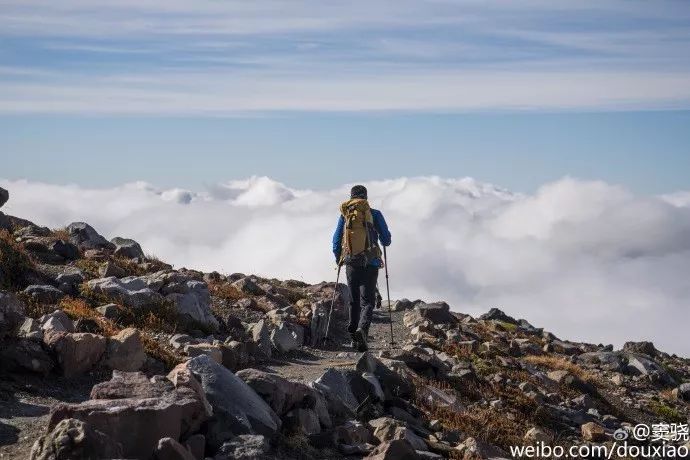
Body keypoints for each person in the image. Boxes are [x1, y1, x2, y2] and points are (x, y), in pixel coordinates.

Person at [332, 185, 391, 351]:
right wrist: (382, 238)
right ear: (366, 197)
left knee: (353, 300)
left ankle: (353, 337)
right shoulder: (374, 214)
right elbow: (386, 239)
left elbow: (336, 240)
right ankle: (362, 330)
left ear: (351, 197)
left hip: (351, 262)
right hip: (370, 262)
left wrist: (339, 257)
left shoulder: (345, 216)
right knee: (368, 302)